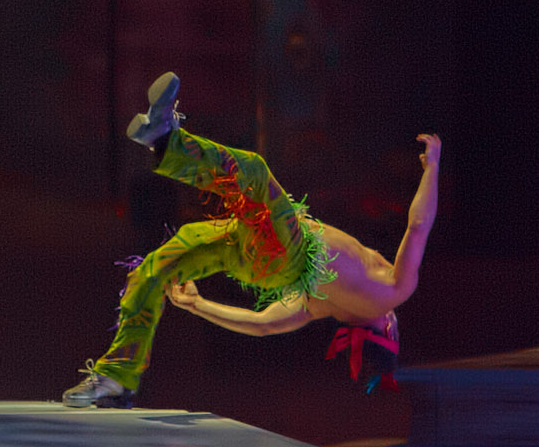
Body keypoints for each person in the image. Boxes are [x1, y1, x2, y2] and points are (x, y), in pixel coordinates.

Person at [63, 72, 437, 407]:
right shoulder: (328, 306)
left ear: (389, 328)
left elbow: (419, 224)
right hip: (260, 261)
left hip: (288, 251)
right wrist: (198, 305)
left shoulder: (392, 291)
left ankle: (165, 140)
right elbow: (263, 324)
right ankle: (117, 378)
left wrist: (432, 168)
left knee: (254, 173)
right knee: (156, 268)